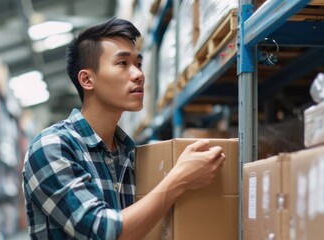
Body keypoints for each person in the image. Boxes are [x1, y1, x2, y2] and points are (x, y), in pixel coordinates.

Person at [22, 17, 226, 240]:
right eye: (123, 64)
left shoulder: (129, 156)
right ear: (87, 80)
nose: (139, 74)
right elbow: (101, 231)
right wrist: (179, 179)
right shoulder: (51, 146)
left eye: (138, 64)